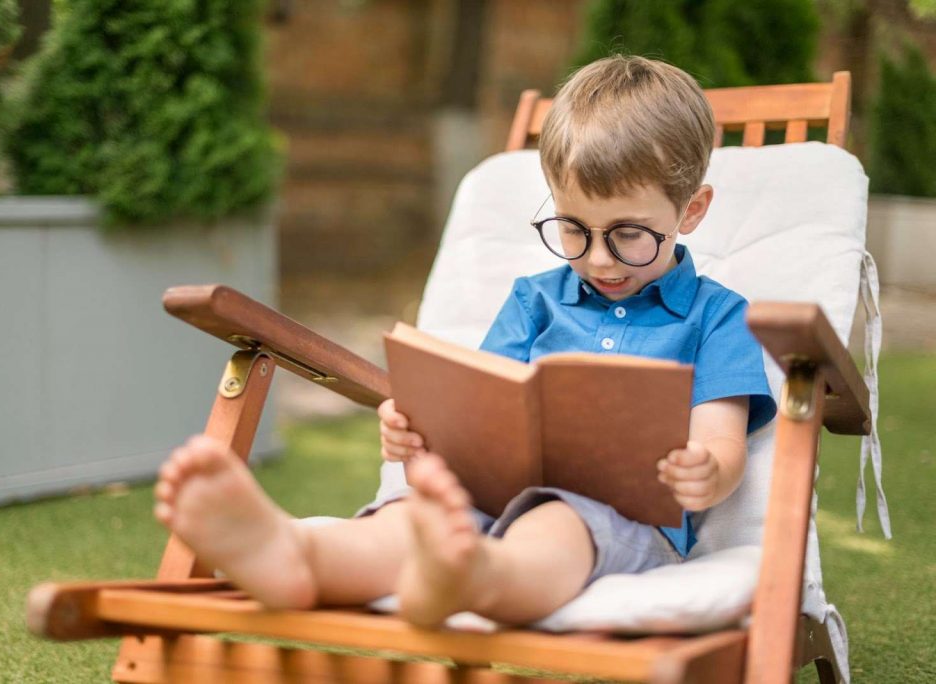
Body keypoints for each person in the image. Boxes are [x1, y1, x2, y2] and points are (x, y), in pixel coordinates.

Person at [153, 55, 777, 629]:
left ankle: (474, 577)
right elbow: (481, 422)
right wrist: (417, 438)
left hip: (621, 522)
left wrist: (706, 474)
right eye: (572, 230)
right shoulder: (535, 300)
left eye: (629, 235)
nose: (598, 259)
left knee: (555, 524)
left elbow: (721, 443)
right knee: (411, 519)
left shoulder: (716, 317)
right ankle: (295, 552)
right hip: (486, 501)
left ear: (690, 211)